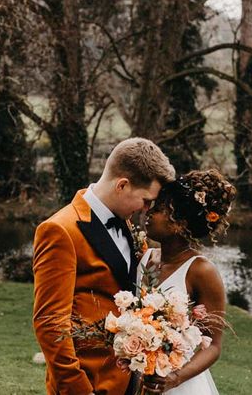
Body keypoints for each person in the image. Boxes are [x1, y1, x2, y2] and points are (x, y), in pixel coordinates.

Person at [33, 138, 176, 395]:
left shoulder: (128, 227)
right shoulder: (60, 231)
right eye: (145, 201)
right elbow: (49, 322)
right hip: (88, 383)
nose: (146, 210)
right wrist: (79, 389)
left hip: (126, 382)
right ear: (122, 185)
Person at [136, 169, 236, 395]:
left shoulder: (201, 271)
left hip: (179, 386)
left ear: (179, 224)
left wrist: (175, 378)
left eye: (160, 209)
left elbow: (214, 345)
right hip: (140, 379)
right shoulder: (145, 258)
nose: (149, 212)